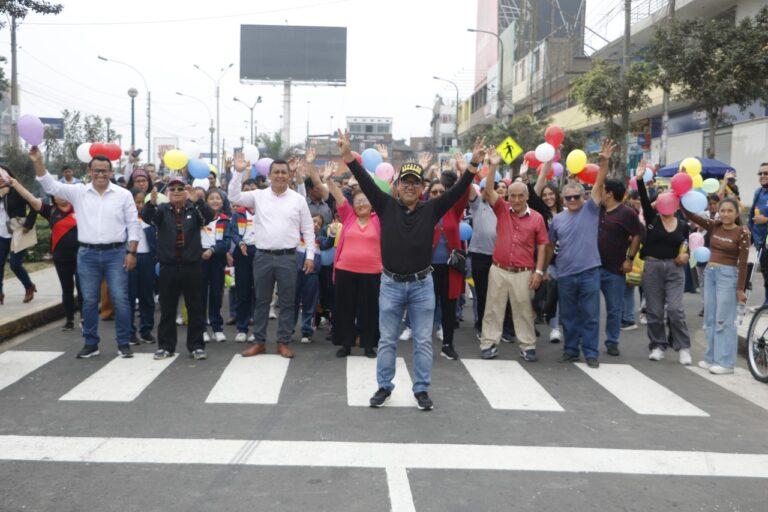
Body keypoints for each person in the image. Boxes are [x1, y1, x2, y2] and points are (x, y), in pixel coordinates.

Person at [339, 129, 482, 411]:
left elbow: (457, 191)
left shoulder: (432, 209)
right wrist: (347, 156)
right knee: (388, 341)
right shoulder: (385, 205)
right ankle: (384, 387)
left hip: (421, 285)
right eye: (405, 182)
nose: (409, 187)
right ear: (398, 185)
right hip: (391, 284)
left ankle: (421, 390)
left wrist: (473, 165)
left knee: (423, 342)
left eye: (415, 183)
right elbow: (366, 183)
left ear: (421, 188)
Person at [32, 147, 140, 359]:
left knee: (120, 299)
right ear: (89, 172)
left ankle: (124, 343)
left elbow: (133, 225)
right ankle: (91, 343)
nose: (100, 174)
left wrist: (132, 251)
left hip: (116, 253)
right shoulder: (78, 192)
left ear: (111, 172)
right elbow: (49, 184)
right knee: (89, 300)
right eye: (96, 171)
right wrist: (38, 161)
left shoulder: (123, 195)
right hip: (87, 255)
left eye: (105, 171)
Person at [228, 154, 316, 359]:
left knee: (287, 301)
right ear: (269, 175)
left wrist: (310, 256)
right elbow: (233, 196)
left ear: (289, 175)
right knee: (261, 300)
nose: (279, 175)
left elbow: (309, 230)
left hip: (288, 257)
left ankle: (283, 342)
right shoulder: (258, 196)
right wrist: (239, 171)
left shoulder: (298, 200)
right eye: (276, 172)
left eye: (283, 172)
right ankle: (259, 341)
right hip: (263, 257)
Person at [545, 140, 616, 368]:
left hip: (589, 272)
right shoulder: (557, 219)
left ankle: (591, 352)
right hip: (565, 274)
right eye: (569, 198)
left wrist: (604, 162)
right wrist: (545, 268)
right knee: (568, 316)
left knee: (591, 315)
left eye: (577, 196)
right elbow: (549, 245)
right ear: (563, 200)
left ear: (583, 198)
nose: (573, 200)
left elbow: (599, 183)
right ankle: (571, 350)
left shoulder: (591, 209)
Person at [311, 162, 382, 358]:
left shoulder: (379, 219)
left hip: (372, 273)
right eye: (357, 201)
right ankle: (346, 345)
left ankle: (368, 346)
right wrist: (329, 180)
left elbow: (389, 192)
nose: (361, 204)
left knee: (369, 310)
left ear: (372, 203)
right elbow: (338, 196)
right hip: (345, 271)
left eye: (365, 200)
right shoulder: (348, 216)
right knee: (345, 310)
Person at [142, 179, 214, 360]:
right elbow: (147, 218)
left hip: (192, 266)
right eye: (172, 189)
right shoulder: (162, 210)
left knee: (195, 308)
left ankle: (196, 346)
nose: (176, 191)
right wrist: (151, 204)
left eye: (180, 189)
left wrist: (197, 200)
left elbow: (208, 217)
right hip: (168, 266)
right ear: (168, 193)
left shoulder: (193, 209)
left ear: (186, 191)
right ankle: (166, 346)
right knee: (167, 309)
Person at [479, 176, 549, 362]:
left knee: (524, 310)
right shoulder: (502, 209)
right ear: (507, 196)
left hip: (523, 271)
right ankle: (488, 344)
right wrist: (492, 166)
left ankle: (528, 346)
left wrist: (539, 272)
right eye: (512, 196)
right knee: (493, 308)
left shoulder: (537, 218)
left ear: (527, 196)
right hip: (499, 269)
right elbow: (488, 190)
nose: (516, 200)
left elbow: (542, 245)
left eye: (520, 196)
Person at [634, 163, 692, 364]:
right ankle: (658, 345)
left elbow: (687, 246)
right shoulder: (653, 219)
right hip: (652, 267)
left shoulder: (683, 225)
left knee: (676, 310)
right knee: (654, 311)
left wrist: (686, 256)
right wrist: (640, 179)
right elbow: (642, 197)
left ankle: (683, 347)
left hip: (675, 269)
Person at [683, 197, 749, 374]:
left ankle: (726, 363)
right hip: (710, 274)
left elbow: (743, 263)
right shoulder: (715, 225)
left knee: (724, 320)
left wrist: (740, 289)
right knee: (710, 319)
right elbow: (691, 215)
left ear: (737, 213)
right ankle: (711, 358)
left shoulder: (742, 232)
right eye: (723, 210)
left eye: (730, 211)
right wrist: (680, 199)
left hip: (728, 277)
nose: (726, 214)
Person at [7, 178, 81, 329]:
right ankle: (69, 320)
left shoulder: (80, 208)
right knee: (67, 288)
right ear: (53, 196)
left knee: (83, 288)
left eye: (64, 193)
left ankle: (85, 317)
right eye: (58, 193)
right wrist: (16, 183)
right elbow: (30, 198)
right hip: (61, 258)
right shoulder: (50, 210)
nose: (61, 196)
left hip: (82, 256)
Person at [426, 174, 470, 361]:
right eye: (434, 192)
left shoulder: (454, 209)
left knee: (449, 307)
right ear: (428, 195)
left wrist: (465, 173)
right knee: (426, 308)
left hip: (450, 268)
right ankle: (424, 345)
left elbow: (465, 192)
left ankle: (447, 345)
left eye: (441, 191)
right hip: (427, 269)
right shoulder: (424, 211)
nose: (438, 194)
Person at [597, 179, 642, 356]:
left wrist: (629, 259)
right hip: (593, 267)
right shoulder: (596, 209)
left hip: (615, 269)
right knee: (589, 308)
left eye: (602, 189)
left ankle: (612, 341)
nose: (599, 192)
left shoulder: (627, 213)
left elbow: (637, 235)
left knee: (614, 309)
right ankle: (587, 340)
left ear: (609, 193)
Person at [0, 167, 38, 304]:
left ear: (8, 175)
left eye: (1, 175)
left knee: (15, 265)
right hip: (1, 234)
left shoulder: (17, 190)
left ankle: (29, 286)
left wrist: (28, 224)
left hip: (18, 232)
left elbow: (35, 205)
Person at [199, 188, 231, 343]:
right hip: (200, 258)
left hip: (217, 258)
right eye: (211, 198)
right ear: (206, 201)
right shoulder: (200, 218)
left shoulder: (225, 220)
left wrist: (212, 250)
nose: (215, 201)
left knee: (216, 294)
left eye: (218, 198)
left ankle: (217, 328)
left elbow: (226, 243)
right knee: (201, 294)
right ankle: (202, 328)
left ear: (222, 201)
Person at [230, 179, 258, 342]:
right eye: (246, 190)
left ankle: (257, 329)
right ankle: (242, 327)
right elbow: (233, 232)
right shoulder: (239, 213)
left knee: (260, 292)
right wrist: (239, 242)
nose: (249, 193)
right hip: (243, 252)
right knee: (243, 290)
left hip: (261, 252)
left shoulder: (265, 210)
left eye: (252, 190)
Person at [128, 189, 156, 344]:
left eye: (141, 202)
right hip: (130, 258)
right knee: (129, 297)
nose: (138, 206)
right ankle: (130, 333)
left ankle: (146, 330)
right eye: (136, 202)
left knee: (147, 296)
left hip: (147, 259)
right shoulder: (124, 218)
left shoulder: (149, 218)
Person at [748, 162, 768, 303]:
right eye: (760, 173)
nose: (762, 176)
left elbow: (762, 219)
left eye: (765, 173)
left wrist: (766, 219)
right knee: (765, 273)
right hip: (759, 240)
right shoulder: (758, 192)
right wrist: (749, 232)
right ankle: (766, 303)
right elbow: (751, 216)